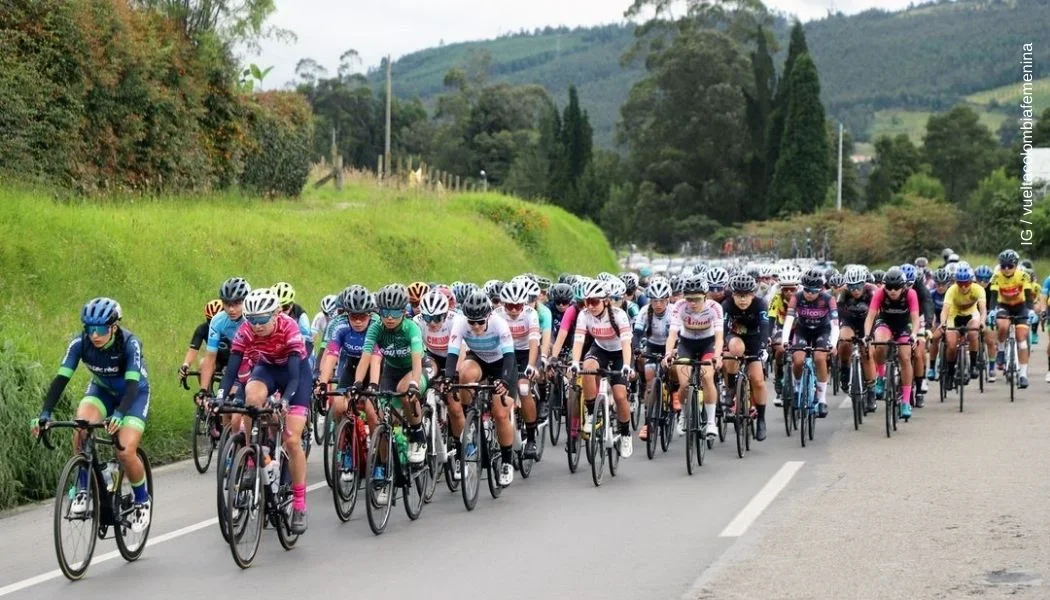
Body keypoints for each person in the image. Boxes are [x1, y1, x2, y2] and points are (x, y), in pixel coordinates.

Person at [33, 298, 153, 533]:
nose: (94, 335)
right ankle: (83, 488)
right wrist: (45, 413)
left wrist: (119, 414)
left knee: (125, 451)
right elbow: (61, 379)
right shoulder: (79, 344)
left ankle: (142, 500)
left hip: (133, 395)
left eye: (100, 329)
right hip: (102, 391)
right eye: (89, 329)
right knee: (81, 427)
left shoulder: (130, 344)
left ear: (114, 327)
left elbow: (131, 385)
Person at [215, 288, 312, 533]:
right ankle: (252, 457)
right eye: (252, 320)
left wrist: (285, 400)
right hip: (266, 369)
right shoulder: (246, 329)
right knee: (251, 399)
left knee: (291, 439)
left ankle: (299, 504)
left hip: (295, 376)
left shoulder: (289, 328)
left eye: (262, 320)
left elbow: (292, 378)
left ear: (276, 314)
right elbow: (232, 370)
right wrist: (219, 397)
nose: (256, 326)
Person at [445, 291, 518, 486]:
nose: (475, 326)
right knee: (464, 374)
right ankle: (471, 416)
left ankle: (507, 462)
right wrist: (448, 377)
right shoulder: (460, 322)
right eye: (472, 322)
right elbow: (452, 353)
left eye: (479, 322)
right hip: (479, 359)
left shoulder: (499, 323)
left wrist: (504, 381)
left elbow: (510, 355)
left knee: (501, 413)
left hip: (502, 364)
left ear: (488, 317)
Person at [570, 279, 635, 458]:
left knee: (620, 396)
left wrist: (627, 366)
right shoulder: (584, 315)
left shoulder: (619, 315)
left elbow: (627, 343)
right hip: (601, 349)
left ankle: (625, 434)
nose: (590, 306)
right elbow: (579, 340)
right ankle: (592, 413)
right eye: (586, 302)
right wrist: (575, 362)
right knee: (588, 368)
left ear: (605, 301)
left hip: (621, 352)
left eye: (594, 302)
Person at [663, 274, 723, 438]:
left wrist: (717, 356)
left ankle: (711, 422)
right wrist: (668, 354)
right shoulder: (679, 306)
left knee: (707, 376)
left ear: (705, 295)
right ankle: (682, 415)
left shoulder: (715, 308)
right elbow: (672, 334)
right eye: (689, 299)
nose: (693, 303)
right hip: (686, 344)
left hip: (707, 344)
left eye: (696, 299)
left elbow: (719, 336)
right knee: (683, 383)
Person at [863, 267, 920, 419]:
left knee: (905, 358)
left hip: (903, 326)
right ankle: (880, 377)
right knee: (880, 343)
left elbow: (915, 319)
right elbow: (870, 317)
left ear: (904, 286)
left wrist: (914, 335)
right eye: (889, 287)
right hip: (885, 323)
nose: (892, 291)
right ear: (884, 286)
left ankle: (906, 402)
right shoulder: (880, 293)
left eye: (896, 287)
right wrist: (867, 335)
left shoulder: (910, 294)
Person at [782, 271, 839, 418]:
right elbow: (789, 320)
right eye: (806, 289)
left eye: (813, 291)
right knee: (798, 359)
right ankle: (797, 388)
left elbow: (835, 325)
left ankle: (821, 400)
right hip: (803, 330)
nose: (808, 294)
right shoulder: (796, 297)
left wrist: (833, 344)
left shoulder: (829, 299)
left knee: (820, 358)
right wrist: (784, 340)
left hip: (822, 331)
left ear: (820, 289)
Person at [721, 274, 771, 440]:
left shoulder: (760, 304)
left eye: (746, 295)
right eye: (738, 296)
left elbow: (765, 327)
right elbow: (721, 328)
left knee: (757, 380)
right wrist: (721, 345)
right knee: (733, 351)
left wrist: (763, 347)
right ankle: (730, 388)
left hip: (755, 339)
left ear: (752, 294)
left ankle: (762, 419)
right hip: (735, 337)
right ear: (733, 295)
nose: (742, 300)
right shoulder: (727, 305)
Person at [180, 299, 223, 388]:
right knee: (203, 364)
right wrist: (186, 365)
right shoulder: (202, 329)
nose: (213, 324)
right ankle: (205, 395)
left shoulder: (233, 328)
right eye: (210, 320)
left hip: (233, 361)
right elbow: (193, 350)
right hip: (215, 361)